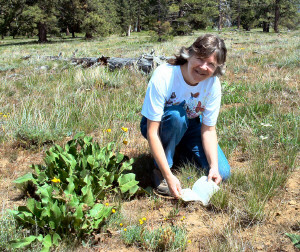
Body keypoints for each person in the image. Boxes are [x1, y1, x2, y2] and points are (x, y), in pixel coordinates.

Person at [140, 34, 231, 198]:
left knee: (223, 172)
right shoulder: (164, 76)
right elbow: (152, 132)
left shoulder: (212, 84)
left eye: (211, 64)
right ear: (189, 54)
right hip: (161, 124)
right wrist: (168, 176)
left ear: (217, 67)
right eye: (200, 58)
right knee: (176, 116)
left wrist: (214, 167)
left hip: (192, 125)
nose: (204, 67)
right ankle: (161, 169)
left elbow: (208, 130)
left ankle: (176, 149)